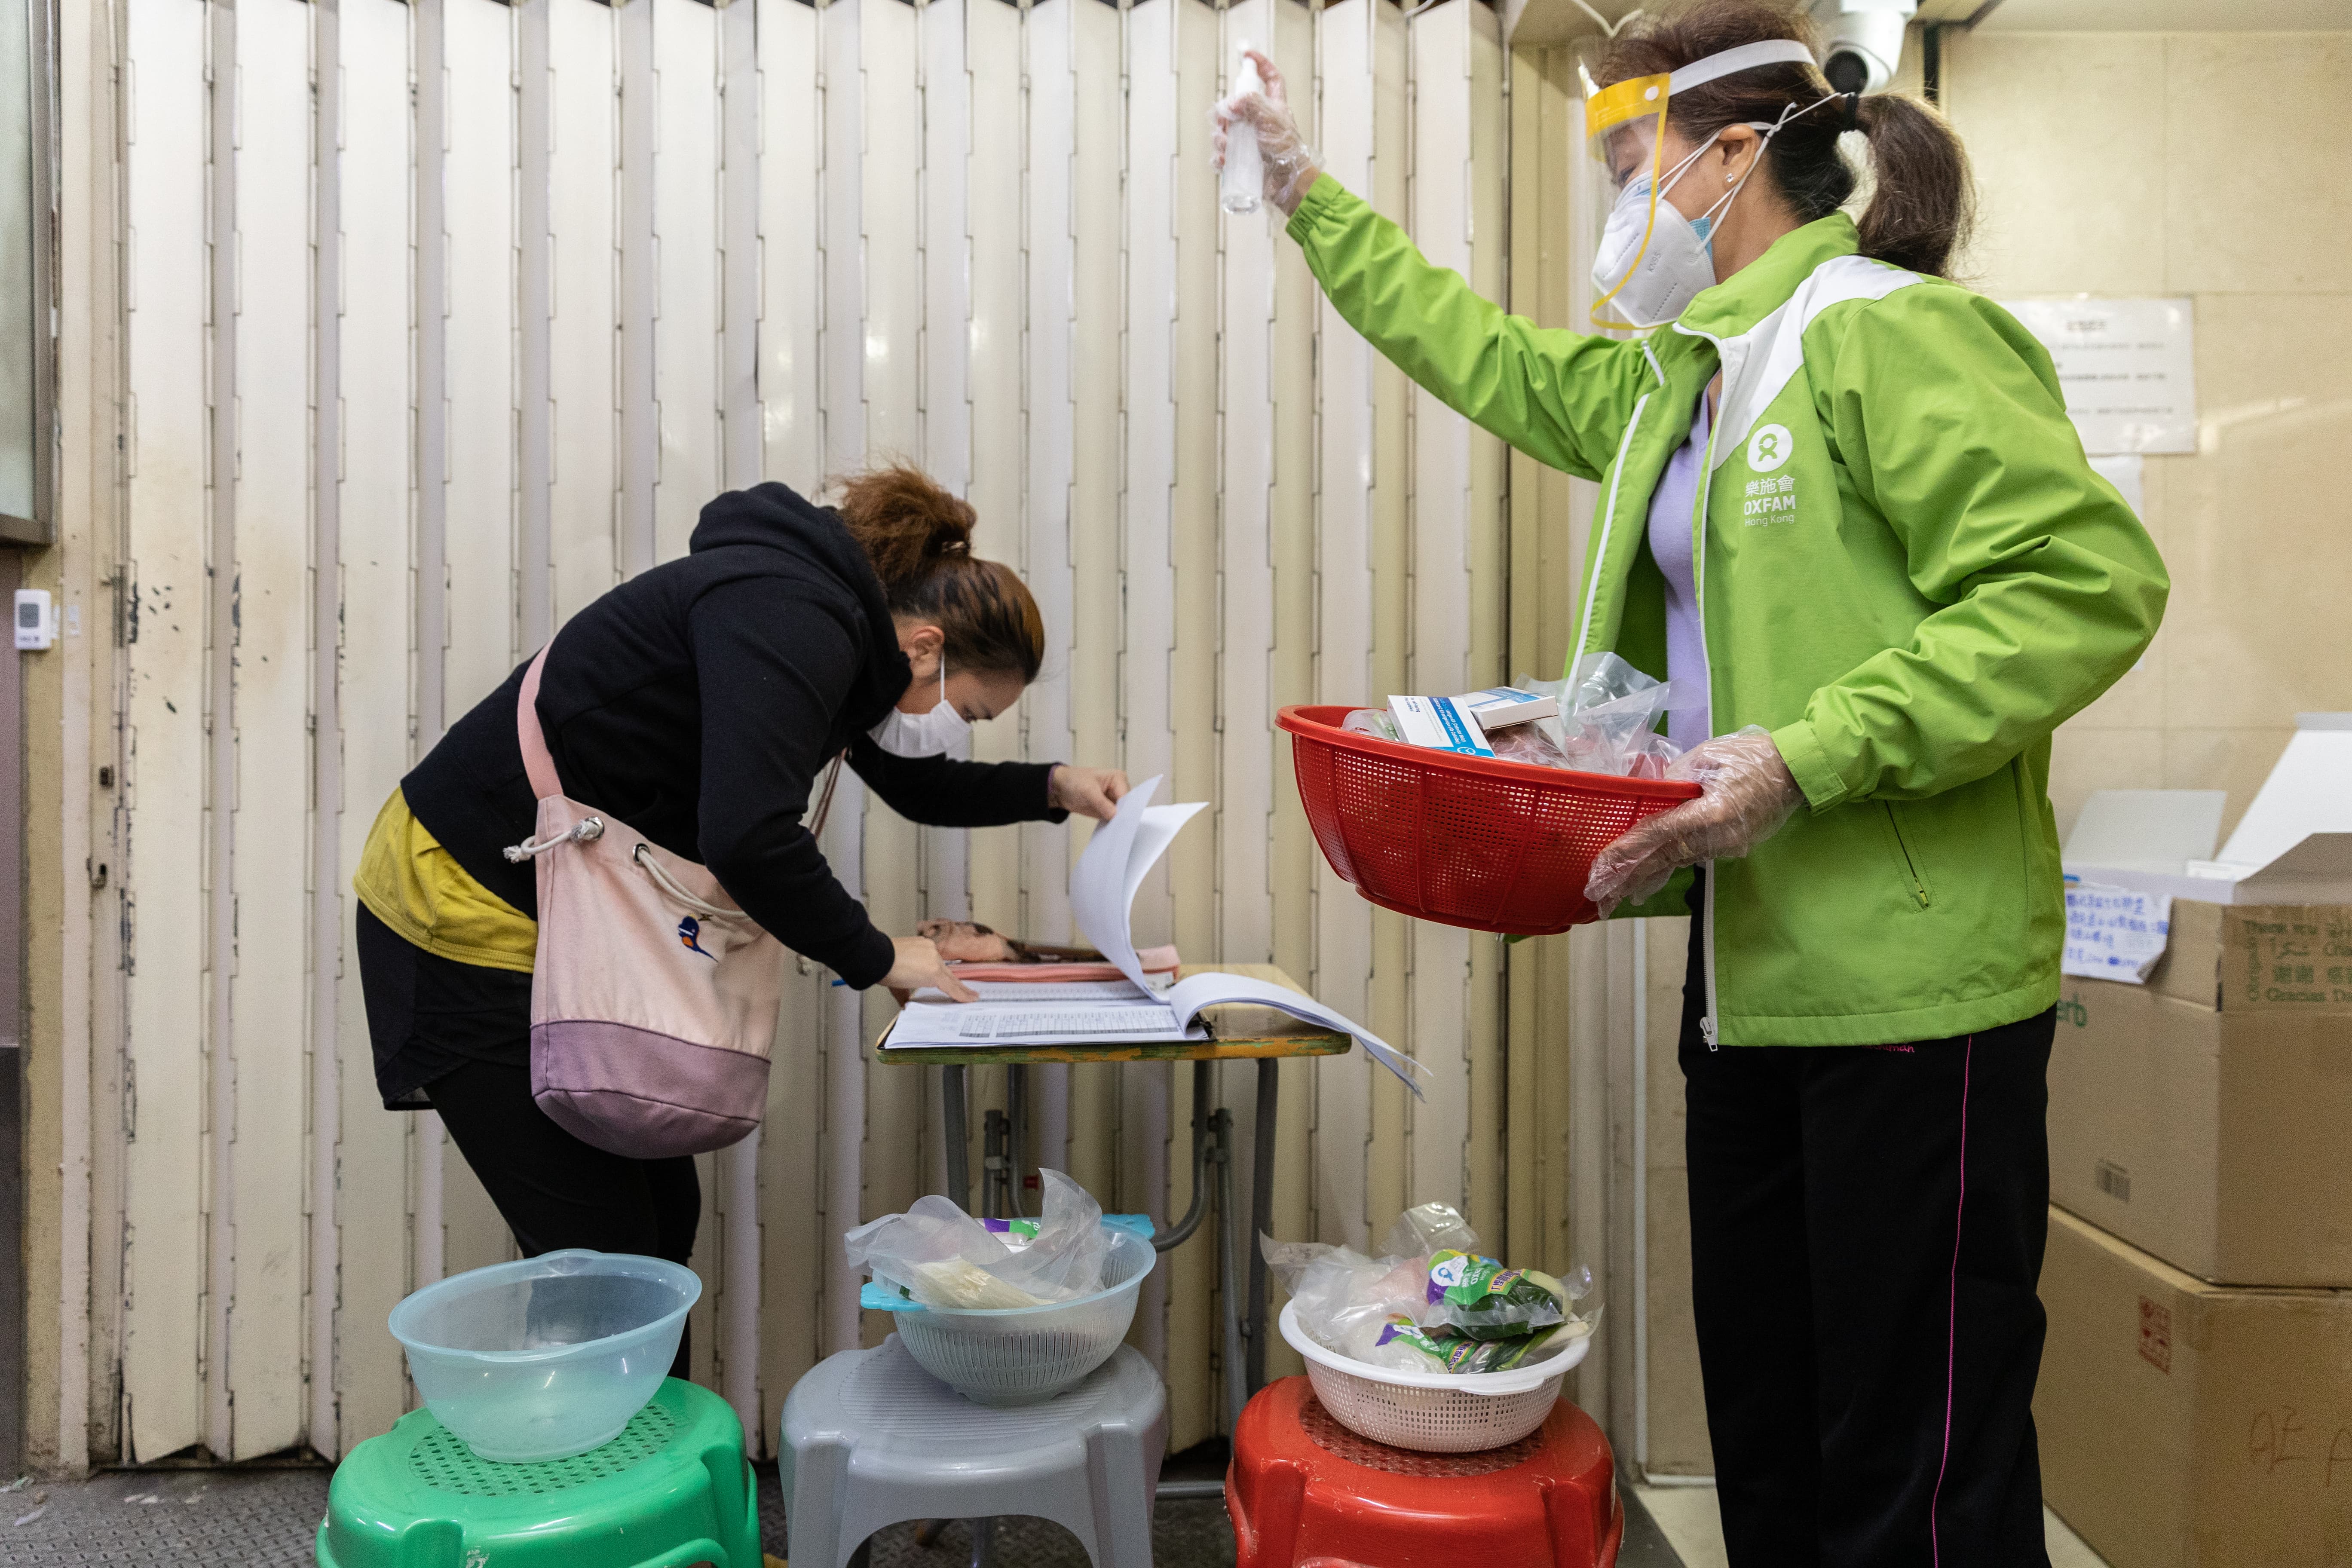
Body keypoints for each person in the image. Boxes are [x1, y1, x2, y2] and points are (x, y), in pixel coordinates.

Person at [1216, 5, 2165, 1564]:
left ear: (1732, 153)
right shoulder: (1681, 380)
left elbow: (2081, 586)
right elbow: (1486, 355)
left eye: (1626, 164)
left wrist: (1809, 751)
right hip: (1750, 980)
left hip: (1911, 989)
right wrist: (1311, 197)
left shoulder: (1878, 327)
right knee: (1772, 1432)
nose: (1617, 207)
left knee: (1913, 1461)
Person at [353, 464, 1126, 1369]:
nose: (958, 727)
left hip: (550, 919)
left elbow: (908, 778)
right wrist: (882, 957)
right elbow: (751, 834)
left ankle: (632, 1473)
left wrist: (1055, 788)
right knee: (609, 1257)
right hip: (456, 910)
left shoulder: (829, 632)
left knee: (657, 1225)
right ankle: (608, 1489)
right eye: (970, 709)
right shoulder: (790, 616)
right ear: (923, 647)